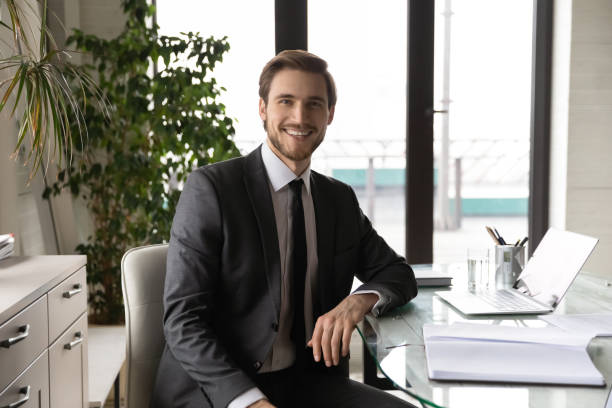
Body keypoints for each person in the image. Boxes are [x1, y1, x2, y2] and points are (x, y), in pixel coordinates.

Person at [152, 50, 418, 408]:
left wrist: (359, 300)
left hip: (306, 382)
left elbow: (398, 273)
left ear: (330, 115)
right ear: (263, 108)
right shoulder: (213, 189)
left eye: (313, 104)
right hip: (218, 389)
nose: (300, 117)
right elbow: (183, 321)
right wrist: (249, 401)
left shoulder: (337, 199)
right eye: (286, 101)